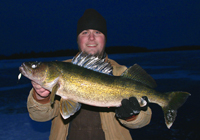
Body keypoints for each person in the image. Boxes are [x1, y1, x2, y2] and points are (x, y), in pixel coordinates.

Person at [27, 9, 152, 140]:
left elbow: (145, 118)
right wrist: (40, 97)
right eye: (85, 32)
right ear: (77, 39)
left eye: (97, 32)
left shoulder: (120, 73)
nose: (91, 38)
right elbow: (38, 117)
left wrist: (132, 116)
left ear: (105, 39)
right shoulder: (59, 71)